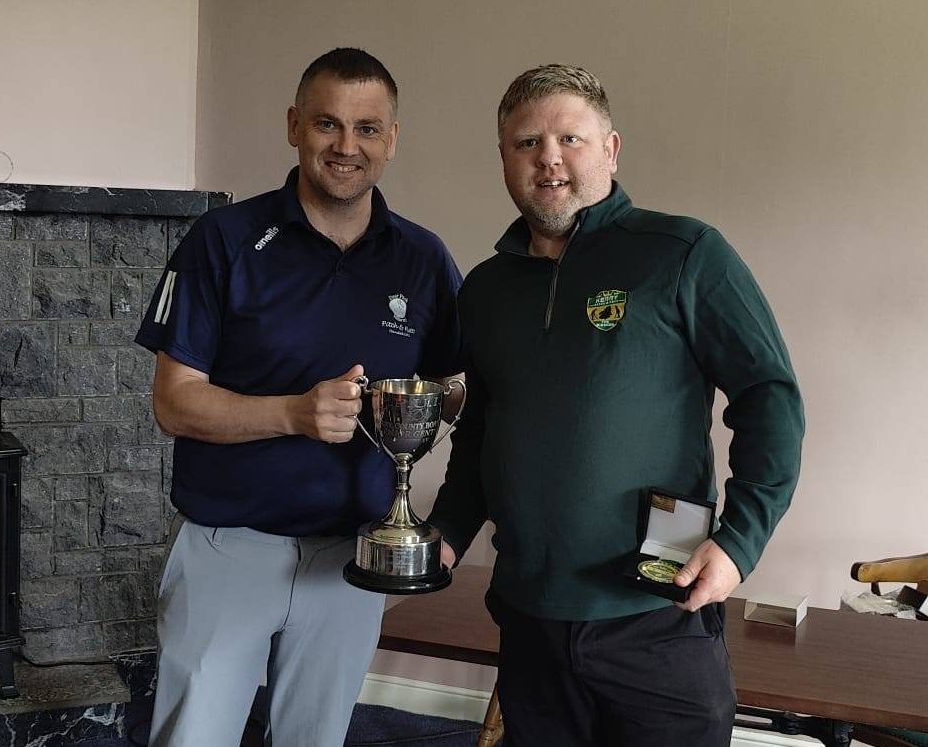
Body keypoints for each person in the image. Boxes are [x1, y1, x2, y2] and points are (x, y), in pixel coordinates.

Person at [429, 64, 804, 746]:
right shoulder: (485, 289)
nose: (548, 158)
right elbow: (479, 430)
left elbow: (768, 395)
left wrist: (739, 540)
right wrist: (448, 531)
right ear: (505, 157)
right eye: (526, 143)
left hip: (657, 612)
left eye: (570, 138)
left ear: (611, 149)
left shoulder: (685, 253)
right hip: (529, 614)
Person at [135, 48, 463, 747]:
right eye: (327, 124)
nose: (347, 147)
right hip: (230, 547)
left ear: (392, 139)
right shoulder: (220, 241)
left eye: (368, 129)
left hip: (352, 560)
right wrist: (293, 412)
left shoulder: (424, 259)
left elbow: (456, 386)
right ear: (293, 126)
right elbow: (173, 403)